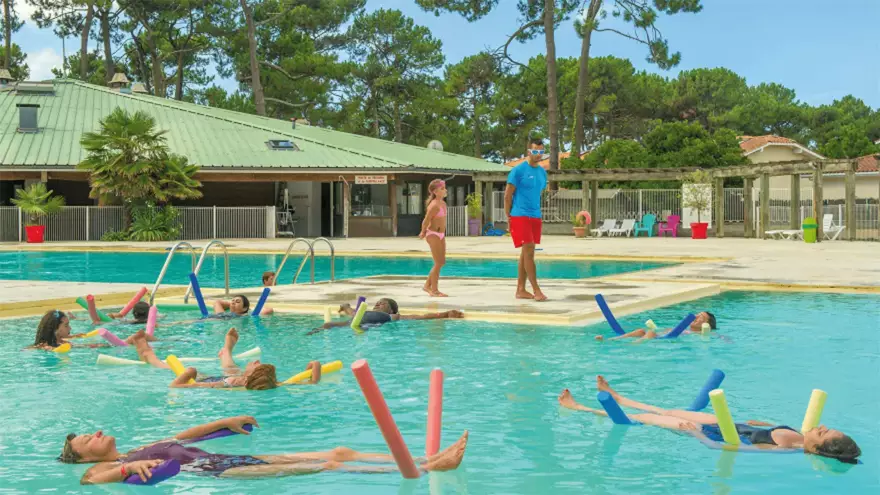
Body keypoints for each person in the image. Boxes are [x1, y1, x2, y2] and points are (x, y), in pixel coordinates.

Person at [58, 416, 469, 483]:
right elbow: (93, 480)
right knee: (326, 465)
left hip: (220, 457)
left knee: (339, 449)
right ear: (81, 456)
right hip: (219, 474)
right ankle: (430, 471)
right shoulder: (100, 470)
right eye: (86, 440)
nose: (95, 432)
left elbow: (184, 435)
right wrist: (129, 471)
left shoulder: (138, 446)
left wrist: (224, 422)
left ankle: (422, 458)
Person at [558, 376, 861, 464]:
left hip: (713, 435)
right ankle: (620, 397)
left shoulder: (785, 450)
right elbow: (765, 429)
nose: (820, 427)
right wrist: (758, 422)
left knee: (646, 419)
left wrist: (697, 435)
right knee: (668, 409)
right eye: (826, 427)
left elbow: (728, 450)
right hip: (728, 422)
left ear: (817, 450)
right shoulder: (799, 434)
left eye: (822, 434)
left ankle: (580, 408)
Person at [170, 328, 321, 390]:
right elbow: (311, 383)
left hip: (211, 380)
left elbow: (178, 386)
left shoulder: (232, 382)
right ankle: (226, 350)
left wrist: (189, 372)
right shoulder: (273, 383)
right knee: (233, 370)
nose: (256, 361)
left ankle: (226, 350)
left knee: (232, 371)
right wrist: (315, 366)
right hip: (235, 378)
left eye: (257, 365)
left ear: (250, 376)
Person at [505, 137, 548, 302]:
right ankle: (536, 290)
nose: (538, 155)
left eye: (541, 152)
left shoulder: (542, 172)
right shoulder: (518, 171)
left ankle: (521, 290)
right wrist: (509, 217)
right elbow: (508, 196)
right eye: (535, 151)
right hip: (519, 215)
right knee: (529, 251)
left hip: (535, 216)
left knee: (525, 253)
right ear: (529, 151)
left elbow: (538, 193)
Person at [308, 298, 464, 334]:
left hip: (368, 328)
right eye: (377, 303)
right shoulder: (362, 312)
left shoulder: (394, 317)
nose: (377, 305)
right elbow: (351, 312)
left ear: (391, 310)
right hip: (352, 324)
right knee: (328, 325)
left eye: (382, 303)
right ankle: (311, 333)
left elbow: (420, 317)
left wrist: (444, 314)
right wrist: (345, 307)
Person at [595, 312, 717, 342]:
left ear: (706, 325)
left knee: (650, 333)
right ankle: (611, 341)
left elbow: (717, 336)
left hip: (664, 341)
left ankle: (629, 346)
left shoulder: (701, 334)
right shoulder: (685, 329)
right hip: (659, 337)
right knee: (641, 331)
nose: (696, 316)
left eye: (701, 317)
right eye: (698, 314)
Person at [419, 179, 448, 297]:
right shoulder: (434, 205)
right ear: (435, 191)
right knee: (438, 262)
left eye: (445, 188)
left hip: (441, 235)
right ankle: (434, 290)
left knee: (441, 262)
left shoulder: (443, 204)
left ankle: (427, 286)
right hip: (433, 234)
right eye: (442, 189)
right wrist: (422, 232)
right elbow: (426, 221)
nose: (445, 190)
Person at [29, 310, 102, 351]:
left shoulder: (62, 342)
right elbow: (27, 350)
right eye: (66, 325)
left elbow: (78, 346)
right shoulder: (43, 346)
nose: (70, 328)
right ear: (55, 329)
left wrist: (98, 345)